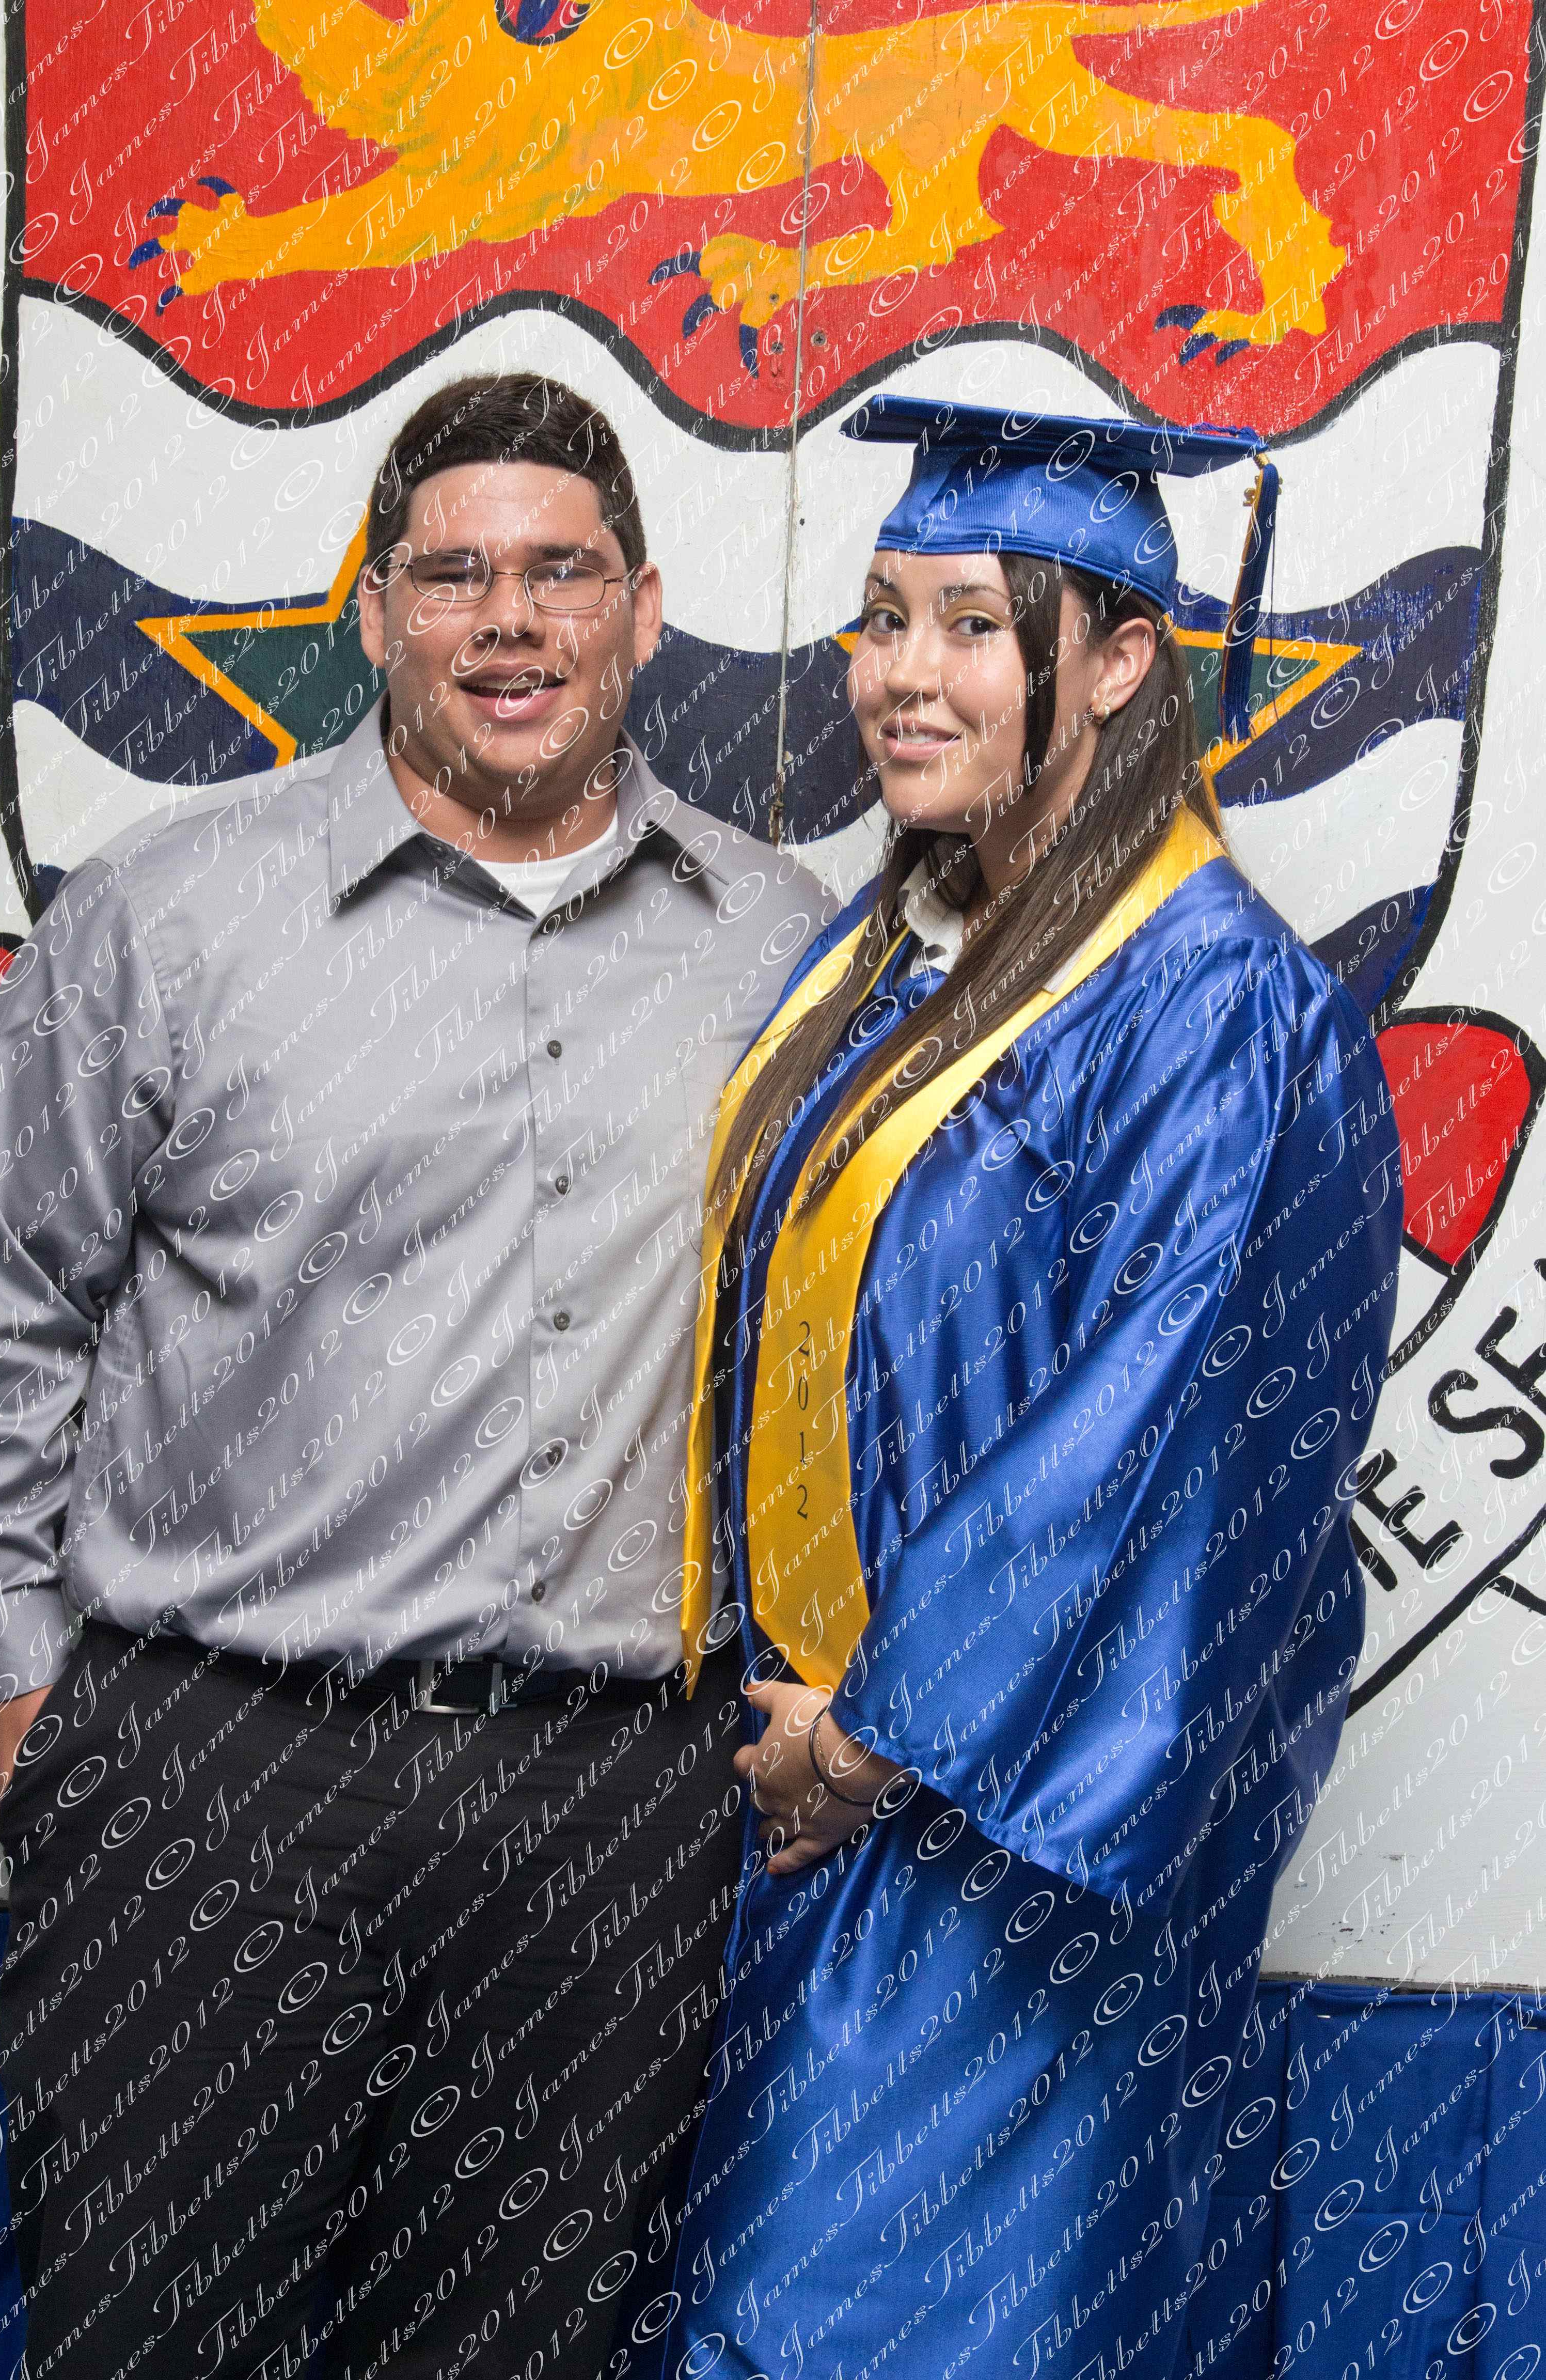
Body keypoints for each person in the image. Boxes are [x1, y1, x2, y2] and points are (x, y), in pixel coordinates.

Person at [0, 371, 833, 2380]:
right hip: (212, 1780)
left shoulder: (779, 945)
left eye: (560, 571)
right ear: (377, 607)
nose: (511, 620)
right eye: (456, 574)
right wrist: (39, 1734)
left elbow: (853, 1349)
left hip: (607, 1816)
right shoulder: (168, 918)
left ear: (644, 611)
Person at [632, 401, 1403, 2380]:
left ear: (1119, 657)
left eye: (972, 625)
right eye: (882, 618)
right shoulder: (904, 953)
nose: (902, 674)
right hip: (810, 1804)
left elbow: (1162, 1447)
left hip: (1005, 1851)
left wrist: (873, 1740)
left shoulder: (1215, 1009)